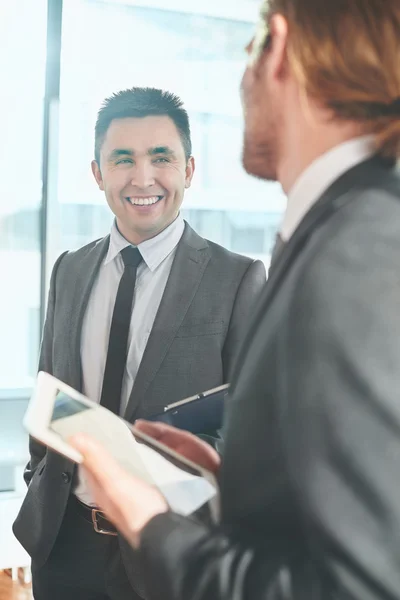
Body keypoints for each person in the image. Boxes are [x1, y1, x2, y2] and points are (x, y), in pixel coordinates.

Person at [68, 0, 400, 599]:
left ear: (277, 47)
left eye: (246, 54)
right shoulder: (345, 227)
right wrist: (233, 485)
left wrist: (147, 519)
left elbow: (350, 586)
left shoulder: (359, 246)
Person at [13, 87, 266, 600]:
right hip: (64, 545)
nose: (142, 178)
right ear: (98, 173)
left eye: (161, 158)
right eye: (123, 159)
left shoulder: (237, 278)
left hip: (170, 548)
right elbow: (50, 390)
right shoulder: (70, 270)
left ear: (189, 170)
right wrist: (38, 475)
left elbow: (252, 428)